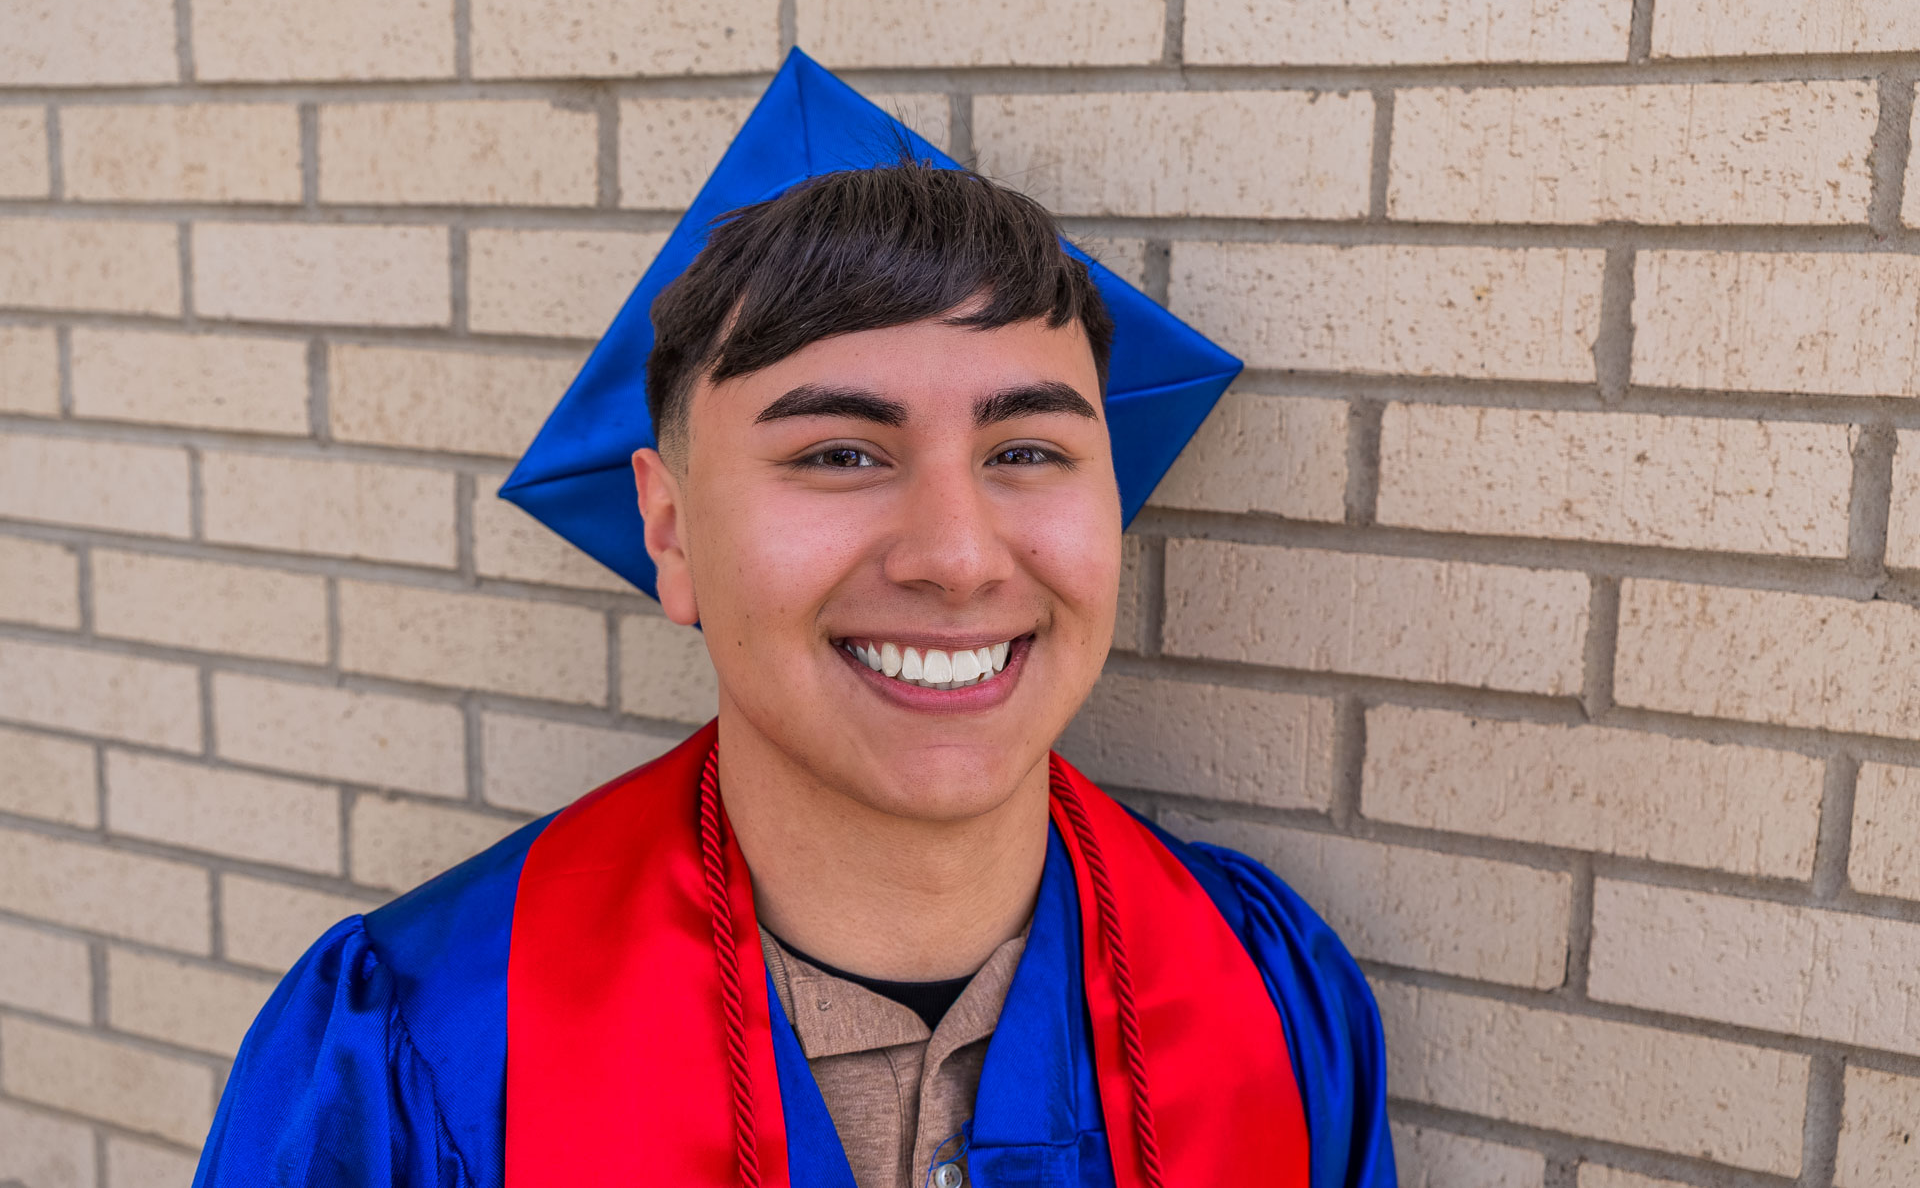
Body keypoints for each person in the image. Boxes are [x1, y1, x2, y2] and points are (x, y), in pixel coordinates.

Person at [192, 158, 1396, 1188]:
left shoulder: (1269, 995)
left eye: (1027, 448)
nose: (958, 556)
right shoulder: (420, 1042)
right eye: (838, 452)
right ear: (670, 534)